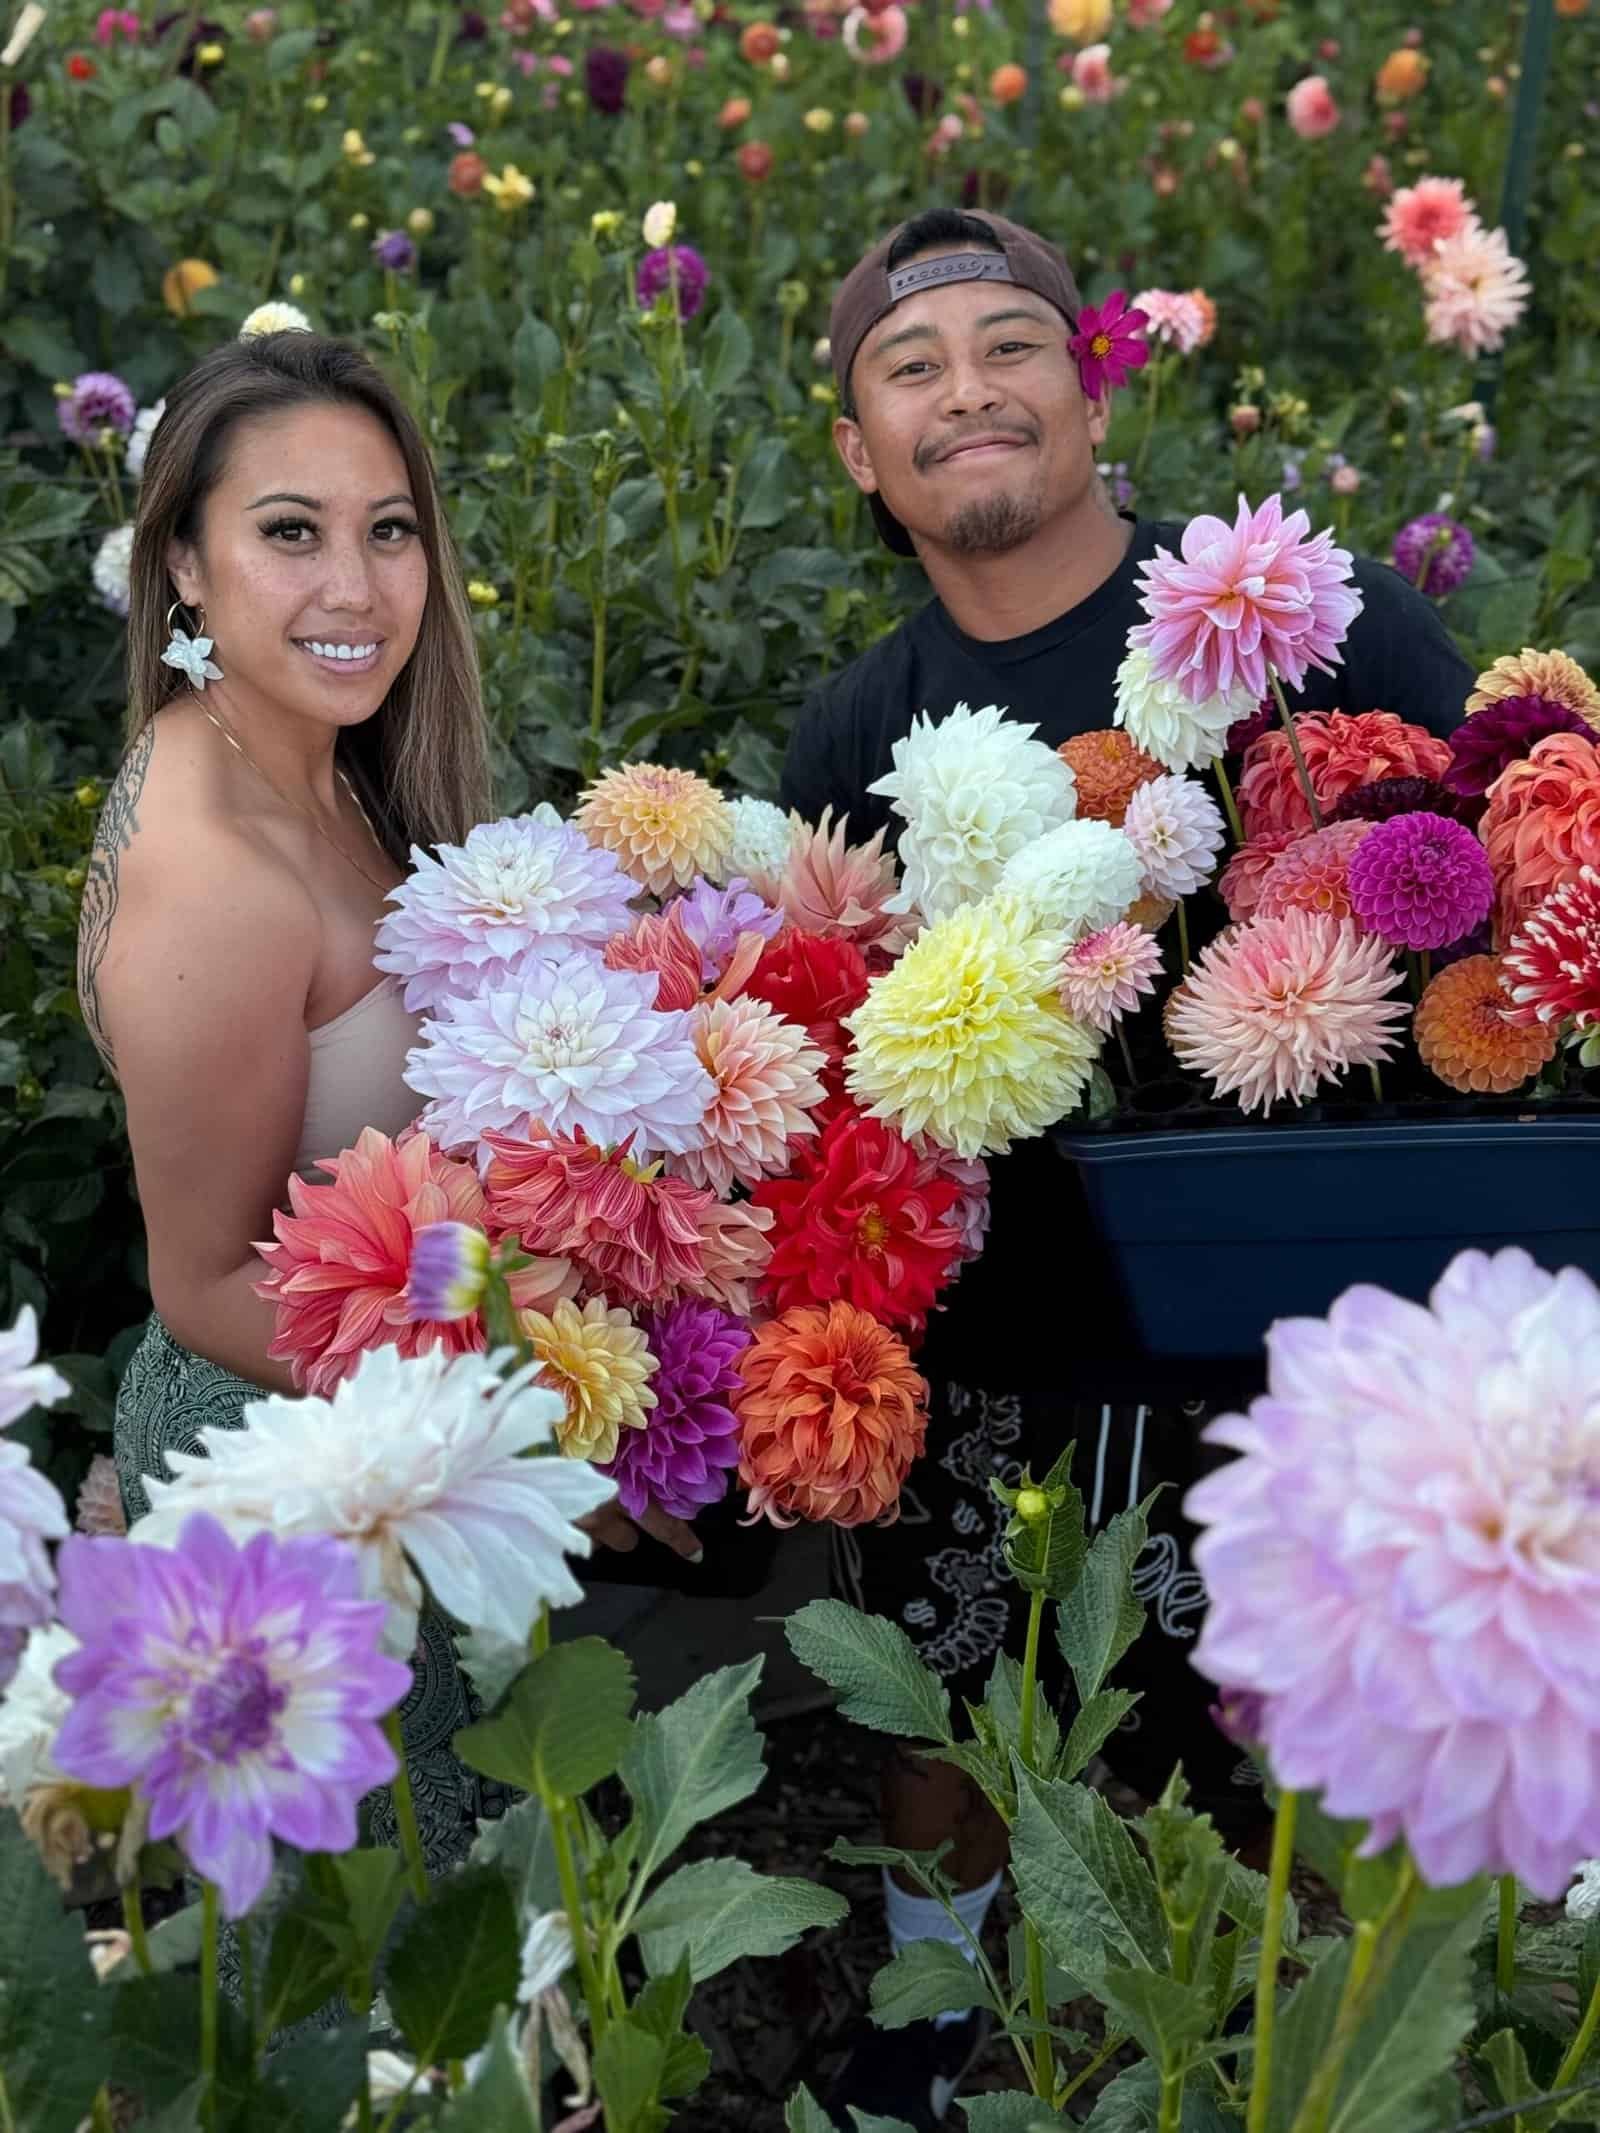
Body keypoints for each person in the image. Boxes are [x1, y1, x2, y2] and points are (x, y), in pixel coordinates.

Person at [779, 207, 1475, 2130]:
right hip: (1001, 1330)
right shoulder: (857, 723)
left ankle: (1317, 2050)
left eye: (1009, 346)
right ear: (858, 451)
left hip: (1289, 1318)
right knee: (947, 1701)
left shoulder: (1285, 627)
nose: (965, 391)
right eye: (909, 369)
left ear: (1088, 384)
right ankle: (934, 2011)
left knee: (1282, 1739)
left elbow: (1485, 888)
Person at [79, 328, 701, 1891]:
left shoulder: (321, 764)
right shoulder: (219, 869)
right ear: (185, 567)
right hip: (295, 1490)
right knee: (357, 1982)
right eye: (289, 532)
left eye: (389, 528)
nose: (354, 587)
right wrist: (538, 1420)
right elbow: (211, 1278)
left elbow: (369, 1181)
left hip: (390, 1424)